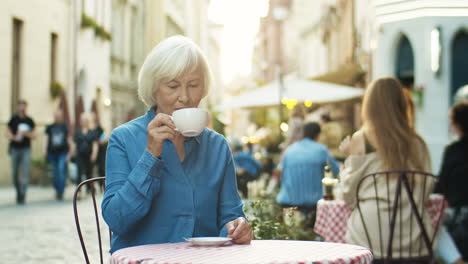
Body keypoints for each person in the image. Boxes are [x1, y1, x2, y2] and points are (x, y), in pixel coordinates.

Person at [101, 35, 252, 253]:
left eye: (193, 85)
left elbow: (231, 215)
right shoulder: (123, 139)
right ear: (153, 89)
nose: (185, 97)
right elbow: (117, 220)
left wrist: (237, 228)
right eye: (173, 86)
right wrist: (150, 156)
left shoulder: (217, 146)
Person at [338, 77, 463, 264]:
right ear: (401, 104)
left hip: (370, 241)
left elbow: (348, 197)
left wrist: (349, 160)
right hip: (414, 239)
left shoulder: (361, 140)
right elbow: (426, 191)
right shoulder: (417, 143)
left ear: (369, 107)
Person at [276, 122, 339, 223]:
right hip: (314, 205)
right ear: (318, 135)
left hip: (287, 201)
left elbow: (280, 174)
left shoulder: (289, 150)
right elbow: (336, 171)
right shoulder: (321, 150)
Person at [435, 100, 468, 260]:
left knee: (434, 228)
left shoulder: (453, 151)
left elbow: (440, 187)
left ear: (457, 125)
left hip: (458, 222)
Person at [6, 99, 36, 204]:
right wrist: (14, 138)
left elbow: (34, 135)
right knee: (14, 173)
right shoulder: (13, 119)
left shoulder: (29, 120)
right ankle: (18, 191)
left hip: (26, 149)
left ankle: (23, 194)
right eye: (20, 105)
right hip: (15, 149)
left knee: (25, 172)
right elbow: (7, 132)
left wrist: (25, 133)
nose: (22, 108)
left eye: (24, 105)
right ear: (18, 107)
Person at [43, 110, 72, 200]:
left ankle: (61, 191)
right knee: (55, 172)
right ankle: (57, 189)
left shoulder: (64, 127)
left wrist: (69, 153)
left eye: (59, 116)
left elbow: (69, 140)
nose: (57, 117)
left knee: (61, 170)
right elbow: (46, 139)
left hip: (62, 153)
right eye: (56, 116)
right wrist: (44, 150)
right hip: (52, 153)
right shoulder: (49, 127)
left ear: (61, 117)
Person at [73, 112, 98, 193]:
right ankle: (79, 191)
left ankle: (90, 189)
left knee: (89, 173)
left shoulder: (92, 132)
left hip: (89, 155)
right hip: (80, 155)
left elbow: (95, 144)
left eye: (84, 120)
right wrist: (72, 153)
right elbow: (74, 143)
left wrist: (94, 154)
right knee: (79, 172)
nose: (83, 121)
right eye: (82, 120)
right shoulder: (78, 131)